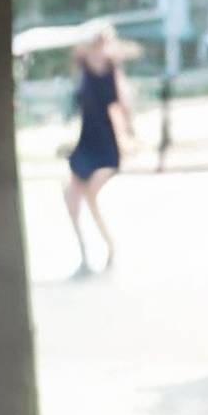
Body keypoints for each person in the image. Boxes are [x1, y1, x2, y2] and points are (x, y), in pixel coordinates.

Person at [63, 20, 138, 276]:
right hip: (86, 141)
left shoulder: (112, 73)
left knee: (91, 194)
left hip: (106, 144)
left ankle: (110, 248)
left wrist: (129, 135)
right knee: (71, 196)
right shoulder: (83, 68)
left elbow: (122, 107)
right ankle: (84, 256)